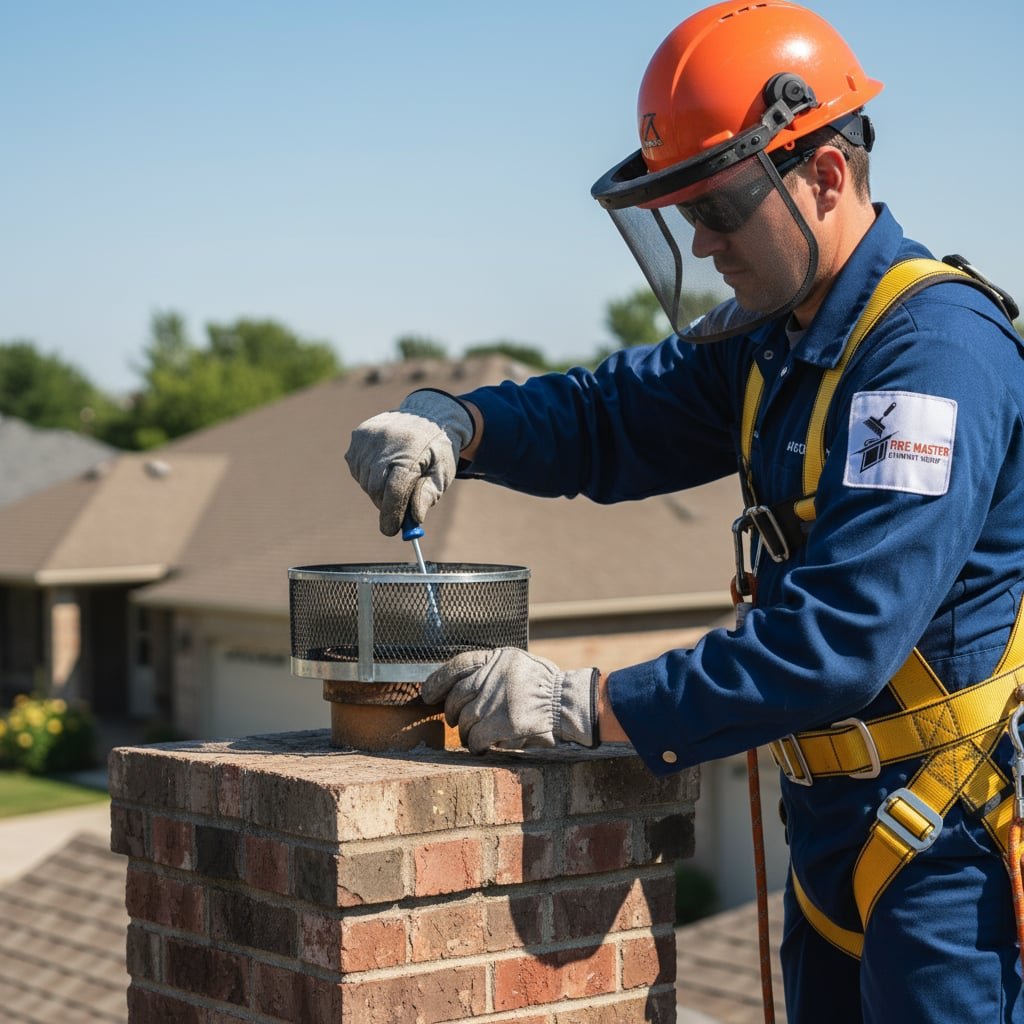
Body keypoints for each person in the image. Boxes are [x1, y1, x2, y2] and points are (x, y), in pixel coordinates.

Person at [345, 2, 1024, 1021]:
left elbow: (838, 639)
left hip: (944, 856)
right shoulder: (773, 340)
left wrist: (584, 706)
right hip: (832, 835)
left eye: (720, 207)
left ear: (823, 174)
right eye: (683, 213)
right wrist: (462, 425)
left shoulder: (932, 356)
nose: (702, 244)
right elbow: (612, 416)